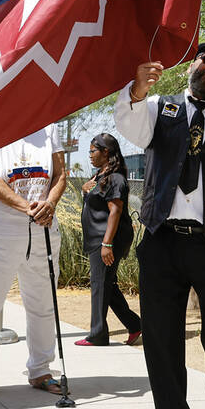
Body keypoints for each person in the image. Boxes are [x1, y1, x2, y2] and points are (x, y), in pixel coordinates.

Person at [114, 43, 205, 409]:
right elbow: (129, 125)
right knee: (162, 342)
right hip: (161, 241)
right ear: (190, 67)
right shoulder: (159, 108)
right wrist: (137, 90)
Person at [0, 124, 68, 400]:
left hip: (43, 225)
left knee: (43, 304)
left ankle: (41, 369)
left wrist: (50, 204)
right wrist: (28, 207)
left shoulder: (49, 127)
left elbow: (60, 175)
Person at [77, 133, 141, 347]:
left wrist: (106, 244)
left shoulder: (115, 178)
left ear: (106, 152)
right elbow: (95, 198)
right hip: (99, 236)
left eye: (93, 151)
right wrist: (85, 188)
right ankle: (135, 325)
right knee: (107, 285)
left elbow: (115, 212)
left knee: (99, 283)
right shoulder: (101, 175)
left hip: (107, 238)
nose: (90, 156)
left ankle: (98, 334)